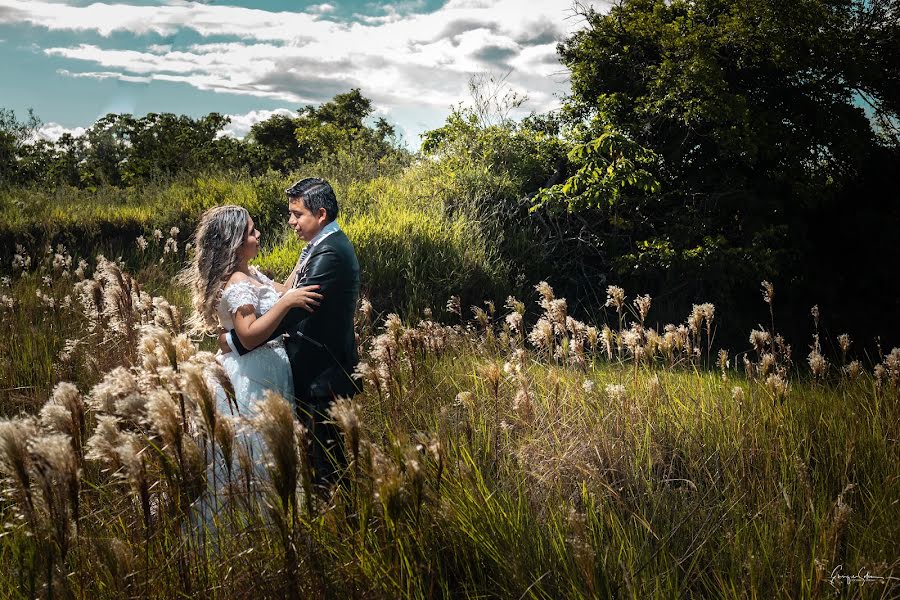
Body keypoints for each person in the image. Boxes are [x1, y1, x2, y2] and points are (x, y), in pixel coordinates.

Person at [181, 204, 323, 517]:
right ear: (235, 242)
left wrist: (307, 254)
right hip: (252, 375)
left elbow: (284, 290)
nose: (258, 235)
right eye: (251, 232)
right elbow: (248, 334)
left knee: (270, 446)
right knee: (254, 447)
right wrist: (287, 304)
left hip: (268, 370)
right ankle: (250, 518)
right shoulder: (236, 282)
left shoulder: (250, 273)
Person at [223, 178, 361, 496]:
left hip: (322, 376)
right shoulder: (313, 248)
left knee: (328, 472)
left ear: (321, 214)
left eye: (297, 214)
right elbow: (286, 294)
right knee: (315, 464)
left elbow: (293, 312)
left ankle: (342, 530)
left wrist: (234, 340)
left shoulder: (331, 253)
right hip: (307, 374)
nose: (290, 221)